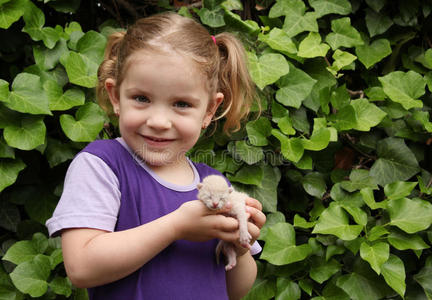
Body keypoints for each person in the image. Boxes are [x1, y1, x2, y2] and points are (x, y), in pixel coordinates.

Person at [46, 12, 266, 300]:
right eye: (142, 98)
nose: (160, 121)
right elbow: (81, 267)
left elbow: (235, 290)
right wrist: (176, 226)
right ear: (116, 97)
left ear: (209, 111)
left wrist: (238, 245)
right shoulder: (102, 165)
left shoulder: (212, 185)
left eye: (182, 104)